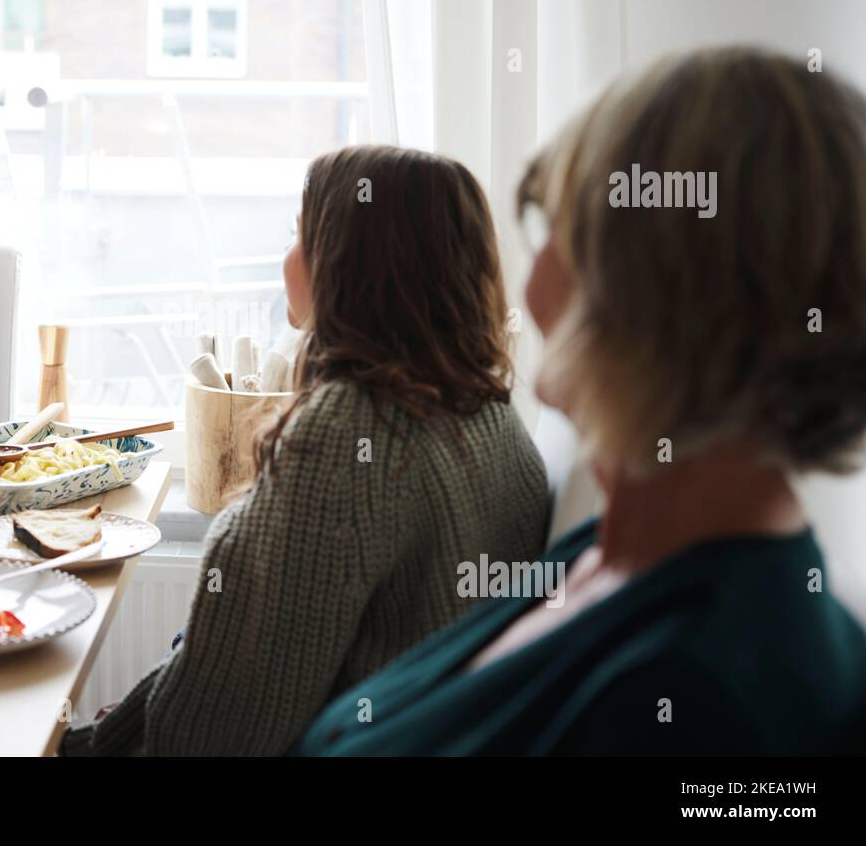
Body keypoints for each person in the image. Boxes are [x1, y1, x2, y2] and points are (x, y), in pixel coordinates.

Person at [300, 48, 866, 755]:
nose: (527, 278)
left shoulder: (706, 702)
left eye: (552, 225)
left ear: (651, 288)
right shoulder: (607, 549)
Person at [61, 145, 549, 756]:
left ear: (351, 262)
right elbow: (228, 665)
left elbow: (219, 731)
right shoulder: (489, 411)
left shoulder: (349, 433)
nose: (286, 257)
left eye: (299, 234)